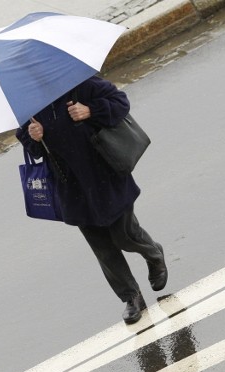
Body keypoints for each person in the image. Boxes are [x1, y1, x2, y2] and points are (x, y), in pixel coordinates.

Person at [16, 76, 167, 324]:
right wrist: (34, 137)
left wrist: (90, 111)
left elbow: (120, 103)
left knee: (125, 235)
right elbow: (31, 147)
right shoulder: (28, 106)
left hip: (105, 174)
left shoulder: (80, 83)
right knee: (103, 248)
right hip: (70, 186)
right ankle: (131, 297)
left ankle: (153, 254)